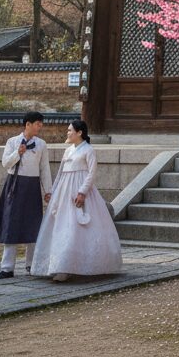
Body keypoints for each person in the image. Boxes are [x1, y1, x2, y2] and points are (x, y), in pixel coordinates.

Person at [30, 119, 122, 282]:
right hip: (64, 190)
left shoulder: (88, 150)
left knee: (78, 226)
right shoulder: (68, 151)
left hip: (80, 189)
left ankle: (79, 264)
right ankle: (59, 265)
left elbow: (91, 174)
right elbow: (60, 173)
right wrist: (53, 191)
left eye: (70, 130)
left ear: (79, 132)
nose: (68, 133)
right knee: (61, 225)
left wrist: (82, 192)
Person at [0, 110, 52, 279]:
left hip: (32, 186)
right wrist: (18, 152)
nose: (40, 126)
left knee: (33, 224)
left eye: (41, 124)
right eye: (38, 123)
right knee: (11, 224)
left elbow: (44, 169)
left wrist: (48, 191)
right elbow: (5, 163)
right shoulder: (12, 142)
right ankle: (7, 268)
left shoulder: (41, 144)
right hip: (15, 185)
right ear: (28, 124)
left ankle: (32, 265)